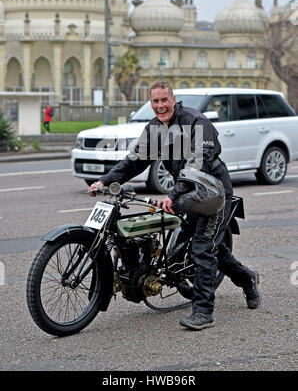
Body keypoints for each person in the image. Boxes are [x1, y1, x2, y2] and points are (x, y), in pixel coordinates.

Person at [88, 81, 261, 330]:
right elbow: (135, 161)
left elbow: (197, 165)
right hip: (185, 194)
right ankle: (247, 278)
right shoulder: (155, 128)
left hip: (212, 193)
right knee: (211, 247)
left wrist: (172, 195)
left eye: (164, 100)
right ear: (151, 103)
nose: (160, 106)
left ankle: (203, 313)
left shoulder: (196, 122)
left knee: (202, 249)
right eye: (155, 102)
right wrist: (105, 181)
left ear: (174, 100)